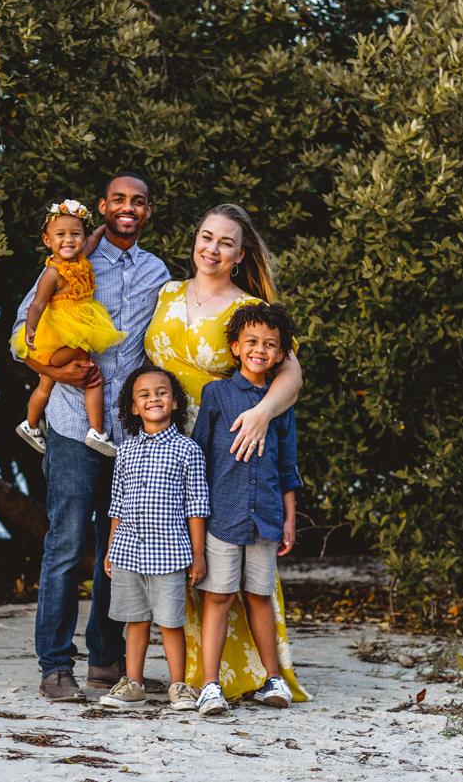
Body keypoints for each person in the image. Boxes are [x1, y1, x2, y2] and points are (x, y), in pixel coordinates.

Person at [11, 172, 171, 703]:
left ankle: (106, 662)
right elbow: (20, 338)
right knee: (67, 544)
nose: (129, 208)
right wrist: (55, 372)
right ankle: (55, 666)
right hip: (71, 425)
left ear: (147, 211)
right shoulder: (72, 257)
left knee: (119, 548)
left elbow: (164, 347)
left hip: (128, 435)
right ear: (102, 206)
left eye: (138, 202)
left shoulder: (158, 273)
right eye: (119, 200)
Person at [143, 202, 311, 704]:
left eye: (225, 243)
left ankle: (251, 675)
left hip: (230, 444)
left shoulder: (249, 309)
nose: (211, 249)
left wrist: (261, 414)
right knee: (183, 557)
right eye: (206, 236)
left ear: (240, 255)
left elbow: (292, 373)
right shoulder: (166, 293)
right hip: (164, 443)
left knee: (244, 570)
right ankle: (191, 674)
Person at [192, 302, 302, 715]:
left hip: (267, 518)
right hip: (222, 517)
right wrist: (197, 523)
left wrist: (289, 518)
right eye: (252, 341)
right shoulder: (217, 394)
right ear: (236, 347)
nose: (261, 349)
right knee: (218, 599)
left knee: (259, 597)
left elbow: (286, 465)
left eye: (271, 345)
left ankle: (272, 680)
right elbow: (200, 455)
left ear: (280, 354)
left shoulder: (280, 403)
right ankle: (209, 686)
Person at [99, 366, 206, 711]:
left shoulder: (187, 450)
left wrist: (199, 555)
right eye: (143, 395)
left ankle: (179, 686)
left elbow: (197, 505)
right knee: (136, 620)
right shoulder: (126, 451)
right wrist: (112, 547)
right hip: (128, 551)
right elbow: (117, 503)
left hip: (170, 554)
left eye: (161, 392)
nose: (153, 399)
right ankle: (133, 685)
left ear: (174, 402)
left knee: (171, 622)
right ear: (133, 408)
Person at [11, 199, 125, 457]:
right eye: (60, 235)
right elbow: (37, 304)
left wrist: (106, 225)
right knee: (91, 373)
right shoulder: (52, 273)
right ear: (47, 240)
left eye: (75, 234)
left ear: (83, 238)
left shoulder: (80, 260)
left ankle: (29, 425)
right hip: (53, 340)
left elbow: (95, 239)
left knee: (45, 385)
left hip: (62, 336)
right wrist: (29, 329)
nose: (68, 240)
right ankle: (97, 430)